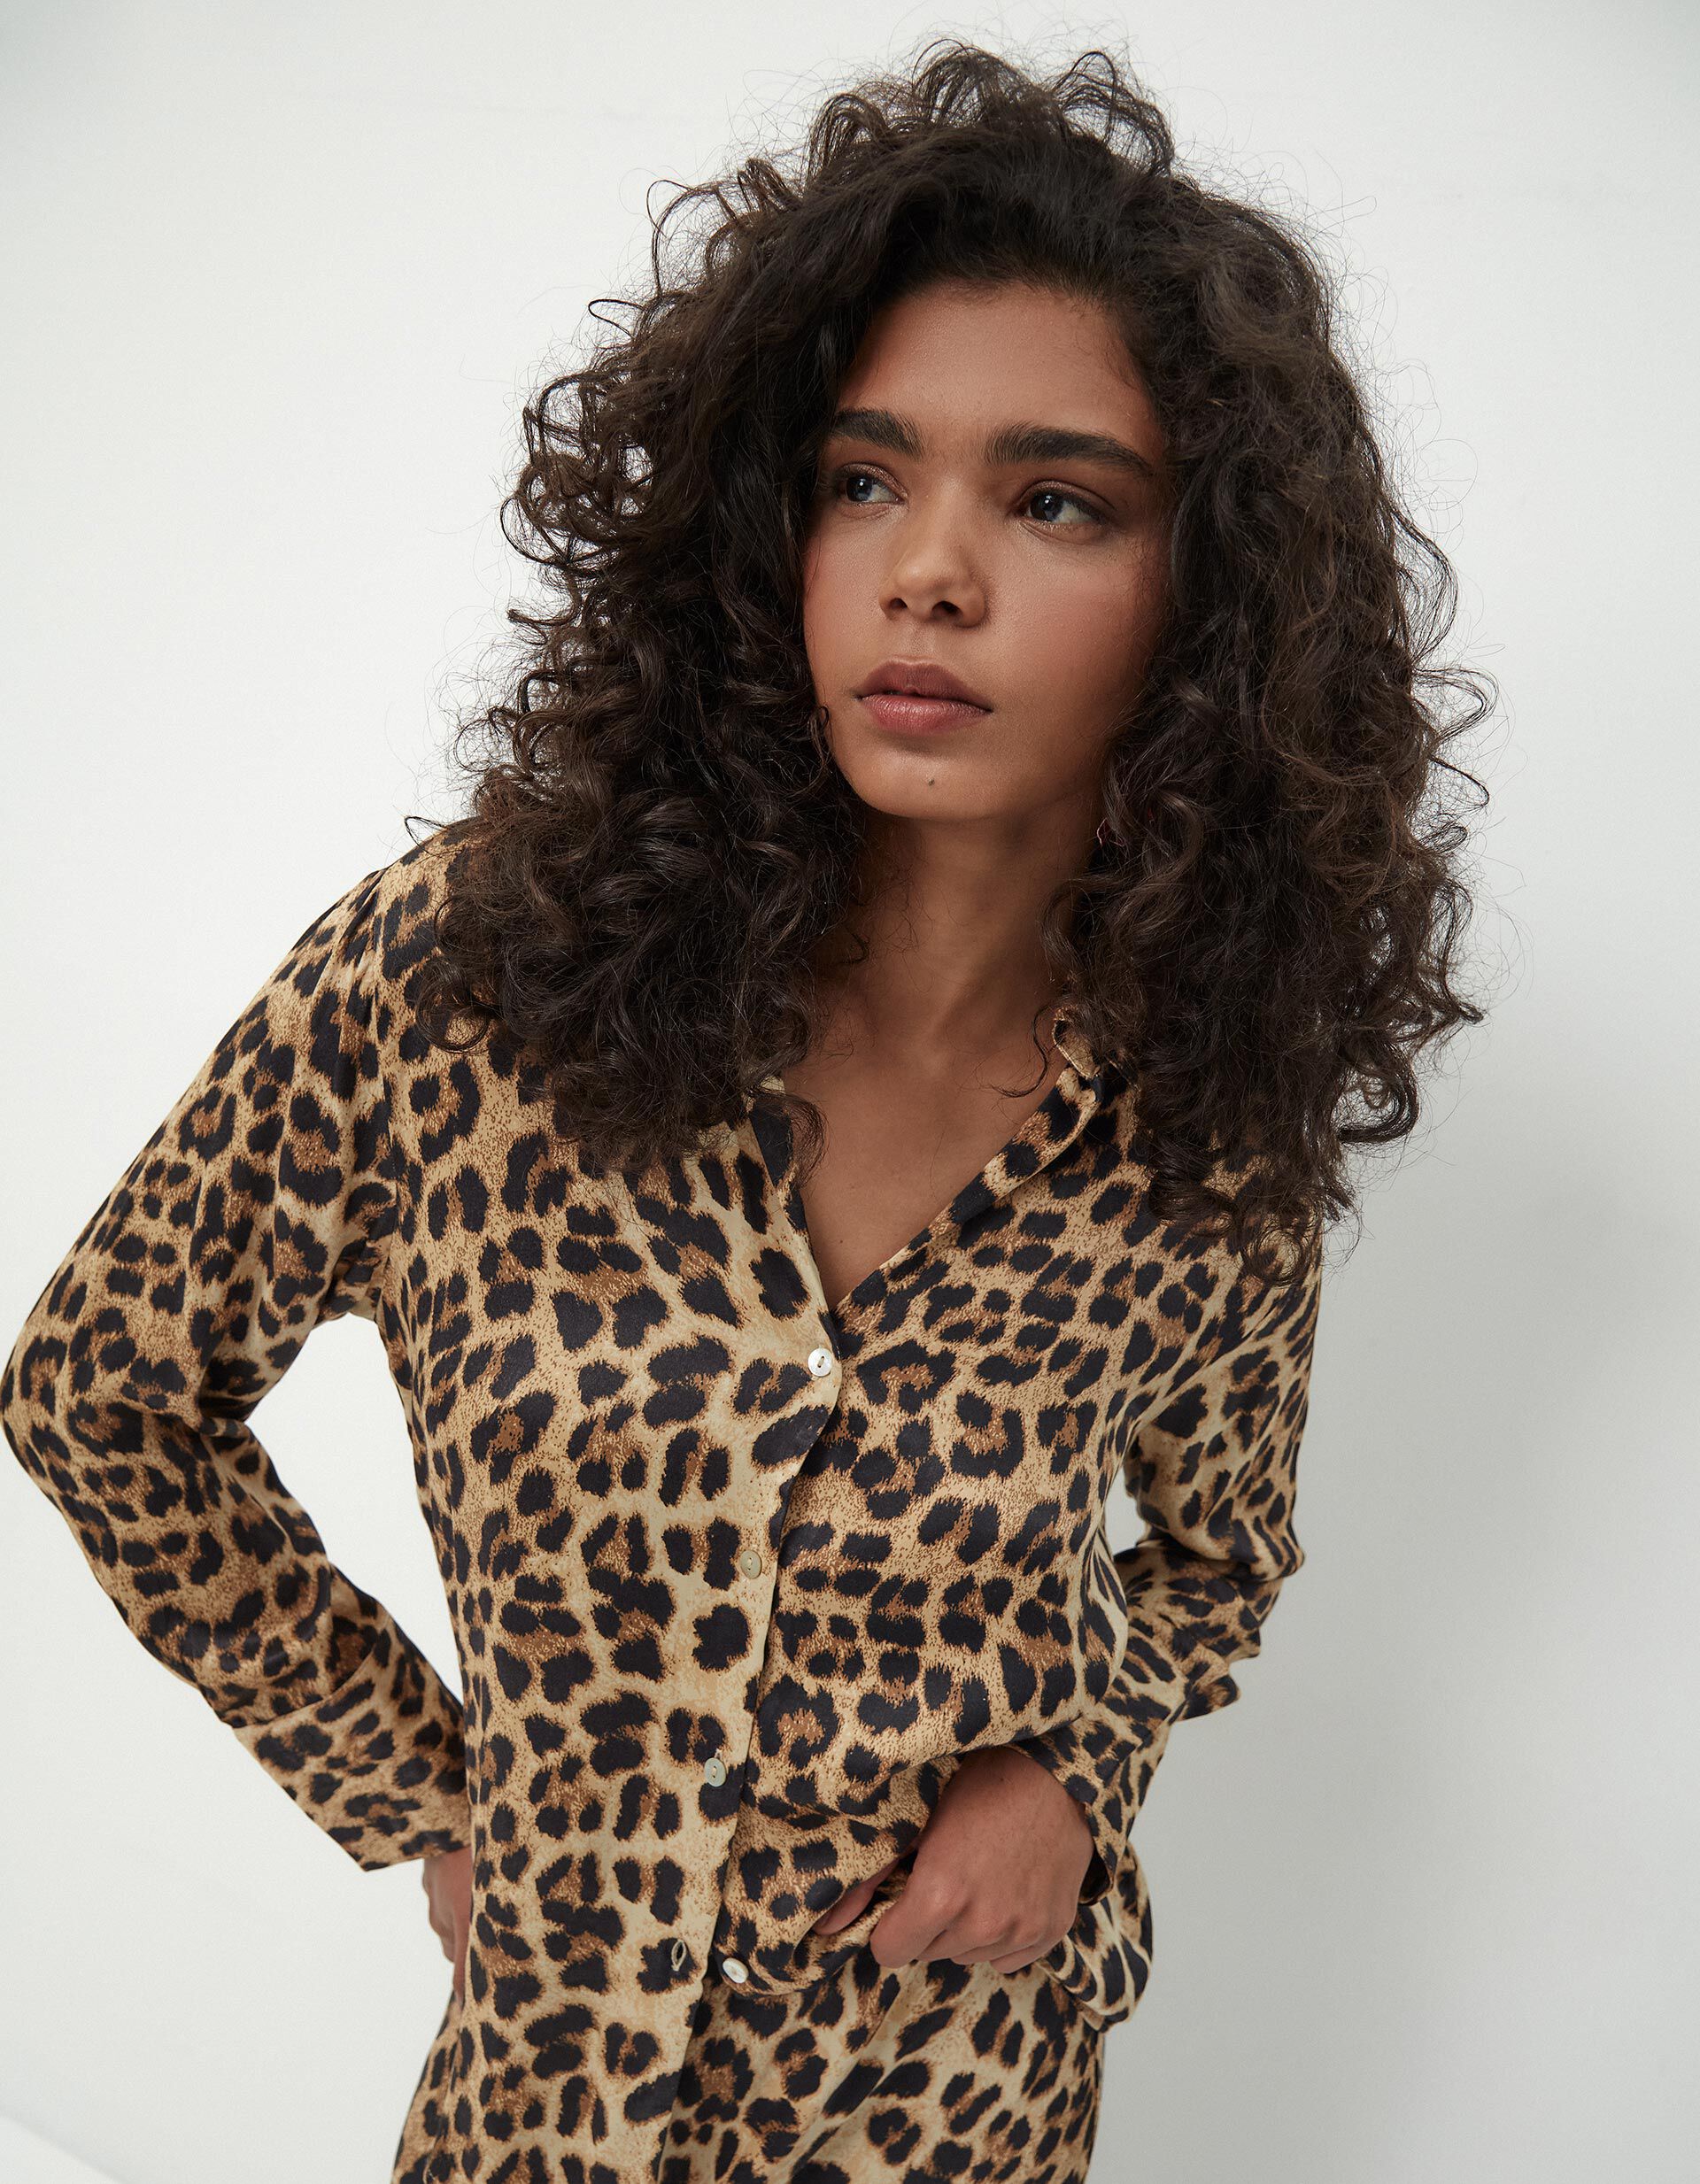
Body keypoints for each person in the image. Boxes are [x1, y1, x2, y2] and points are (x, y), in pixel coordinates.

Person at [0, 37, 1488, 2184]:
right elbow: (102, 1392)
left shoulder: (1200, 1116)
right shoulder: (470, 980)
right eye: (863, 479)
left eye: (1056, 500)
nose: (930, 570)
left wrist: (1067, 1772)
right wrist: (419, 1789)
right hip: (546, 2114)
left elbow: (1217, 1559)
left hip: (959, 2109)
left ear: (1215, 601)